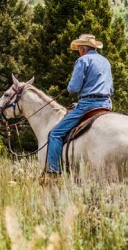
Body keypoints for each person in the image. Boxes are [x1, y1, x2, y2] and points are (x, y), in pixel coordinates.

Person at [45, 33, 113, 174]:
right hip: (106, 104)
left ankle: (53, 170)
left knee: (55, 134)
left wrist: (70, 87)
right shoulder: (105, 61)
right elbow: (111, 88)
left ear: (82, 49)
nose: (78, 52)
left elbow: (74, 87)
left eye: (78, 50)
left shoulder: (83, 61)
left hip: (88, 104)